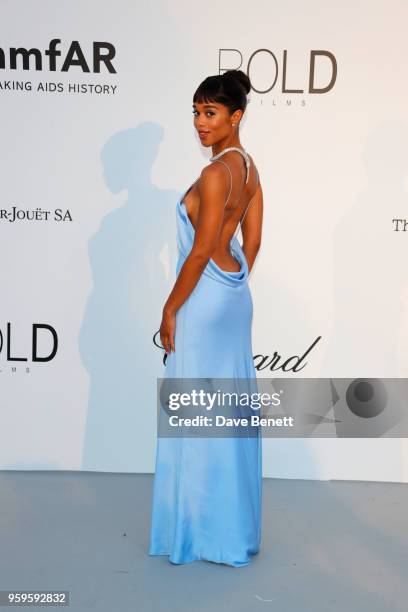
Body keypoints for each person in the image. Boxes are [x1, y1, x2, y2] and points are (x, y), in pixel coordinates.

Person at [148, 69, 264, 566]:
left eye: (210, 113)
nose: (200, 122)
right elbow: (251, 242)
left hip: (202, 297)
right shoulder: (250, 168)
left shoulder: (216, 174)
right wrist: (231, 285)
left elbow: (197, 254)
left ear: (236, 116)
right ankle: (231, 530)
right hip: (232, 297)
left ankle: (198, 533)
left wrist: (171, 308)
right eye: (196, 112)